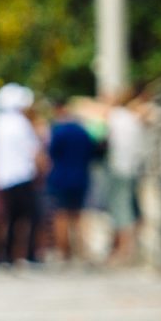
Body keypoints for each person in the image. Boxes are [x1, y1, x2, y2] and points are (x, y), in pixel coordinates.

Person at [0, 84, 43, 266]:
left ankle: (6, 255)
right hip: (22, 176)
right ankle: (29, 254)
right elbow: (33, 150)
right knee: (32, 216)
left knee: (9, 218)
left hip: (2, 178)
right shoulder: (21, 123)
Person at [44, 101, 98, 264]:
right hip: (80, 177)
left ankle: (63, 252)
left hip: (60, 177)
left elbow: (51, 153)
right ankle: (80, 251)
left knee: (60, 215)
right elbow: (93, 153)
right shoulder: (84, 132)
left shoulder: (58, 132)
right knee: (78, 215)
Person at [105, 88, 147, 266]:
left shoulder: (118, 118)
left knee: (122, 209)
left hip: (120, 168)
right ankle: (131, 249)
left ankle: (124, 250)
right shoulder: (132, 120)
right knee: (132, 208)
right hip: (132, 168)